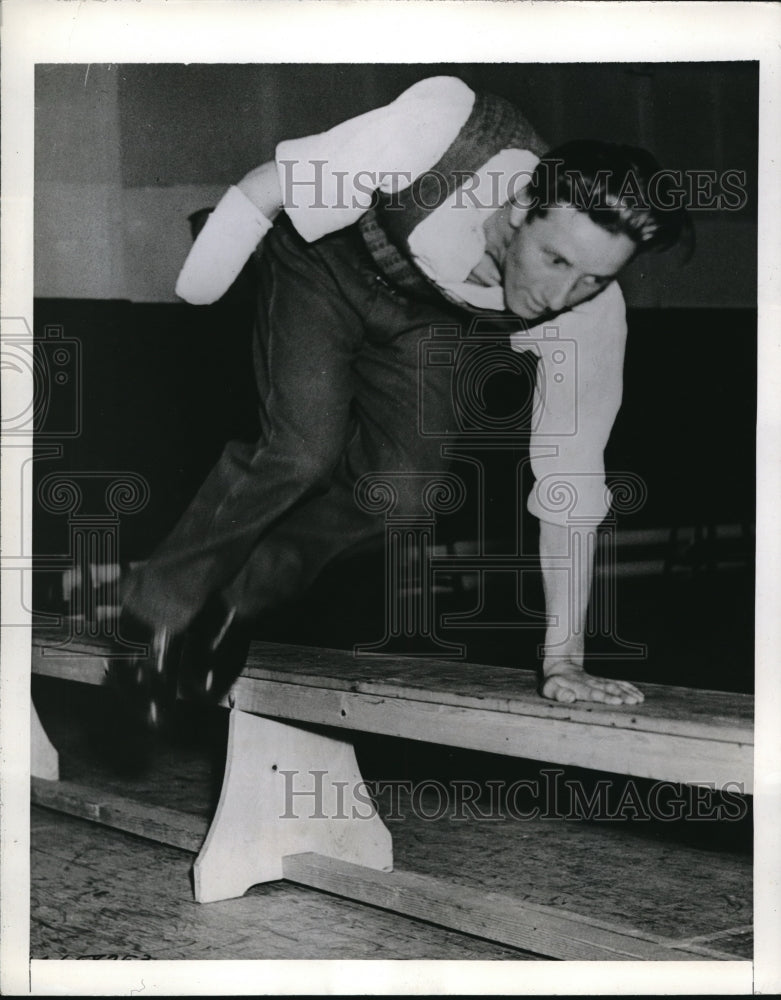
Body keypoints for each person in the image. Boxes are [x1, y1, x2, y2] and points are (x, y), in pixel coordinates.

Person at [116, 75, 688, 729]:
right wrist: (201, 287)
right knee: (302, 450)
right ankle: (153, 608)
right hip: (320, 262)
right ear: (519, 204)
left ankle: (237, 603)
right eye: (554, 260)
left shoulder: (589, 313)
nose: (559, 297)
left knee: (406, 493)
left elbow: (569, 481)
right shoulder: (441, 130)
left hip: (423, 317)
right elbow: (266, 186)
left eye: (592, 277)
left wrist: (563, 657)